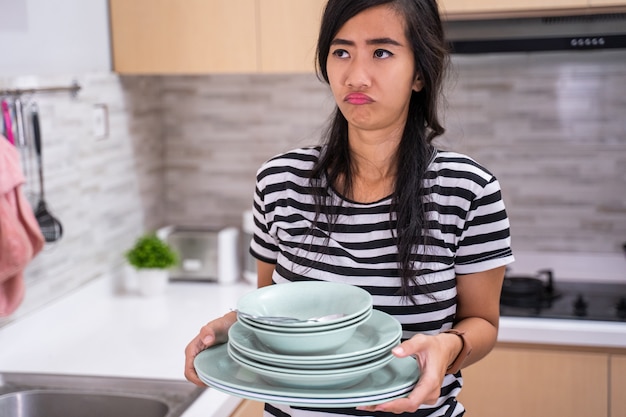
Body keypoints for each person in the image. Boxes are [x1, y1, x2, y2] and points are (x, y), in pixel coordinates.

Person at [184, 0, 514, 415]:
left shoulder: (467, 189)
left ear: (419, 73)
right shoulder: (280, 181)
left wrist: (449, 345)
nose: (356, 76)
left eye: (381, 52)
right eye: (341, 52)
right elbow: (271, 301)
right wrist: (231, 325)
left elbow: (482, 323)